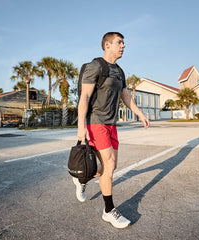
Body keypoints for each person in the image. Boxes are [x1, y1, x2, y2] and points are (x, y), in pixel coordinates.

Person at [73, 32, 150, 229]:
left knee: (110, 168)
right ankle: (109, 210)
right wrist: (81, 127)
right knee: (109, 163)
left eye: (123, 42)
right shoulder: (95, 66)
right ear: (107, 45)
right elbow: (85, 98)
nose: (123, 45)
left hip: (111, 123)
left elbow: (125, 96)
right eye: (119, 42)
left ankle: (82, 176)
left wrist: (140, 114)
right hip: (96, 121)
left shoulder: (120, 71)